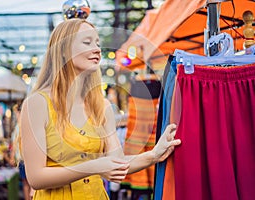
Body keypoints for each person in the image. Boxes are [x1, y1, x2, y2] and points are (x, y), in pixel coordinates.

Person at [20, 19, 181, 200]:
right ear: (63, 50)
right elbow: (35, 177)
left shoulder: (101, 105)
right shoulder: (37, 104)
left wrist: (154, 154)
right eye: (87, 42)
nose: (97, 49)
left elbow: (117, 163)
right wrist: (94, 166)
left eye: (98, 43)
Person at [10, 103, 32, 200]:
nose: (16, 115)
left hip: (25, 159)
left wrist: (12, 156)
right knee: (27, 183)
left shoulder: (22, 126)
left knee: (28, 184)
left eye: (17, 112)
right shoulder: (20, 126)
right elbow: (14, 145)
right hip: (23, 159)